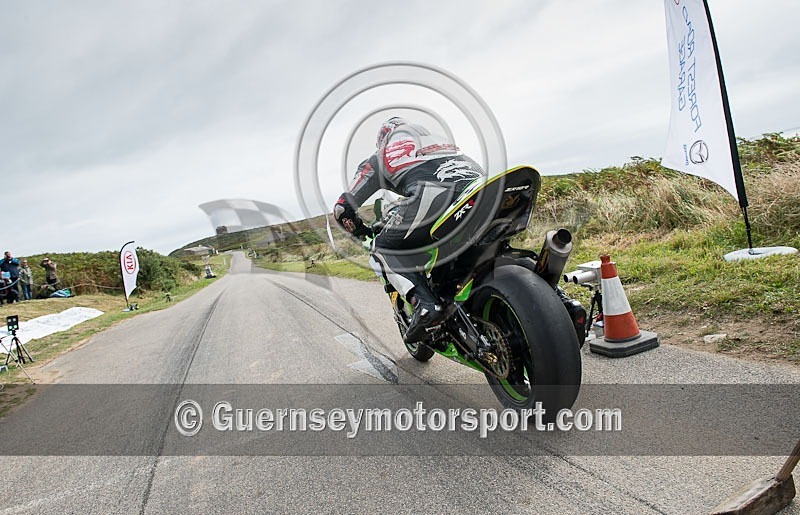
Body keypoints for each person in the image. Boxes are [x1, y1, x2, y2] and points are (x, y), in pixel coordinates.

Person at [333, 117, 485, 342]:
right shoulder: (442, 142)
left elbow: (341, 209)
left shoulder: (381, 155)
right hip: (483, 189)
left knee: (381, 248)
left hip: (435, 196)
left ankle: (425, 306)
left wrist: (362, 234)